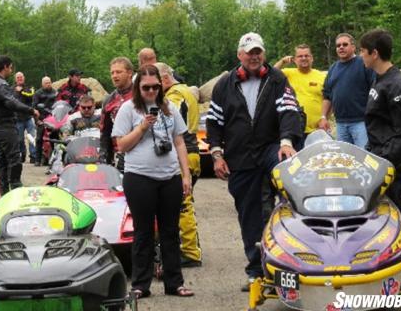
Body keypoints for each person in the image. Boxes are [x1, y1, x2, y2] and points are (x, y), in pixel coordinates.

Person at [206, 32, 302, 290]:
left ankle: (294, 264)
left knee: (293, 195)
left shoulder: (277, 79)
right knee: (249, 214)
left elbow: (290, 112)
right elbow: (214, 122)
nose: (254, 56)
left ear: (264, 54)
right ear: (240, 55)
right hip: (240, 156)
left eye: (258, 51)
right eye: (249, 52)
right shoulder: (224, 85)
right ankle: (256, 272)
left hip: (271, 148)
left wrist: (286, 141)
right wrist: (216, 154)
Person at [112, 64, 194, 299]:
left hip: (169, 177)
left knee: (170, 232)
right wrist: (142, 127)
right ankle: (140, 285)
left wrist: (185, 175)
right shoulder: (128, 109)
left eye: (155, 87)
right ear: (138, 87)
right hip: (139, 177)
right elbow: (121, 145)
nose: (151, 92)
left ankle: (174, 283)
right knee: (143, 232)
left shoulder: (169, 107)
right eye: (146, 87)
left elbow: (179, 142)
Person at [360, 28, 401, 274]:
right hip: (377, 159)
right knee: (378, 222)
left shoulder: (397, 84)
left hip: (391, 167)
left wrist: (386, 165)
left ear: (374, 53)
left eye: (362, 52)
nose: (360, 56)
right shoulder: (379, 79)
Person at [155, 62, 202, 268]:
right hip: (193, 152)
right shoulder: (186, 90)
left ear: (164, 79)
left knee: (183, 205)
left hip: (186, 153)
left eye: (156, 83)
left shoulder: (174, 96)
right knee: (184, 203)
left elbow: (168, 125)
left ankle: (190, 252)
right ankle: (191, 247)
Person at [0, 55, 39, 195]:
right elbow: (11, 102)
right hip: (4, 125)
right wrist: (31, 110)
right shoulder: (0, 84)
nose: (11, 70)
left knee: (2, 160)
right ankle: (15, 189)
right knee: (14, 158)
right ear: (5, 67)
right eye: (10, 67)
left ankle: (2, 191)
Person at [319, 33, 375, 148]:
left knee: (364, 158)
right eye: (338, 45)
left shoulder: (363, 63)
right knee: (345, 161)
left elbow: (375, 89)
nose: (341, 47)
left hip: (361, 123)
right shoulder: (333, 68)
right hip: (340, 124)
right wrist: (323, 117)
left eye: (345, 44)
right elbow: (327, 95)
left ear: (353, 47)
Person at [274, 44, 326, 142]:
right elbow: (271, 74)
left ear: (312, 58)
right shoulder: (287, 74)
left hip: (317, 130)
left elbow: (328, 100)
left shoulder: (321, 76)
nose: (304, 58)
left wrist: (324, 118)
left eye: (307, 56)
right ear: (295, 59)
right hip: (294, 129)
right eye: (300, 56)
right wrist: (282, 61)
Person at [100, 57, 134, 170]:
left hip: (140, 152)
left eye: (118, 72)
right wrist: (104, 156)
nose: (114, 76)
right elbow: (105, 131)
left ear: (130, 73)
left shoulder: (141, 95)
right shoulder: (109, 100)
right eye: (112, 73)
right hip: (118, 154)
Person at [32, 76, 58, 166]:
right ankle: (37, 160)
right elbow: (34, 108)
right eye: (46, 83)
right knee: (39, 139)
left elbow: (59, 105)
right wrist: (37, 120)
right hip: (42, 119)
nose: (48, 84)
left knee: (55, 139)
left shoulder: (55, 93)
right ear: (42, 84)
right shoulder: (38, 93)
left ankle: (55, 159)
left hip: (53, 119)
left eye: (49, 82)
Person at [13, 72, 36, 163]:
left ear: (24, 78)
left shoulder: (29, 88)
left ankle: (33, 156)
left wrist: (21, 91)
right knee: (19, 139)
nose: (19, 79)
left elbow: (31, 98)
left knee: (31, 137)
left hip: (28, 117)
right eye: (18, 77)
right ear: (15, 79)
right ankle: (22, 154)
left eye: (21, 77)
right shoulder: (11, 89)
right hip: (17, 118)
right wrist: (17, 92)